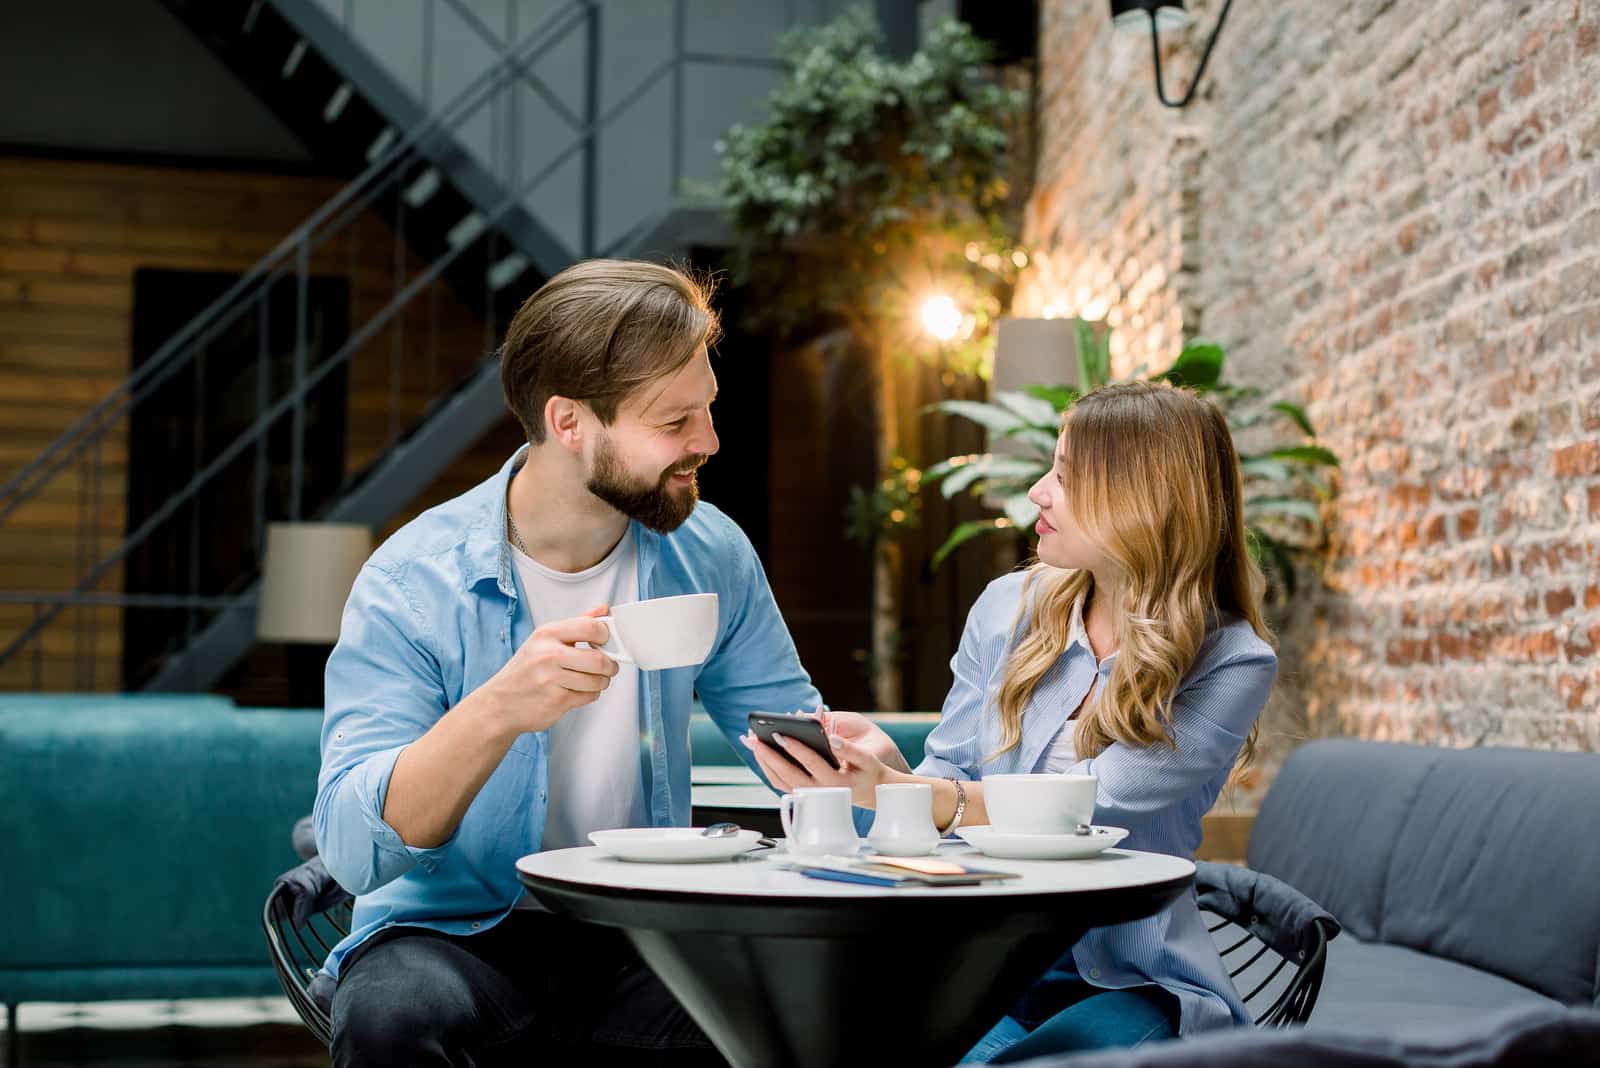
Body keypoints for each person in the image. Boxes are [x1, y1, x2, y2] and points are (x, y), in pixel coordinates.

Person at [314, 259, 822, 1066]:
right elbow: (352, 849)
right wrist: (498, 707)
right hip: (448, 935)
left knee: (785, 1024)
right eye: (674, 422)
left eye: (709, 412)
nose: (710, 442)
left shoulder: (711, 553)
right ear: (569, 421)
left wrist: (886, 789)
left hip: (640, 931)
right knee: (394, 1019)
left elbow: (798, 743)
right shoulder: (412, 581)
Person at [743, 379, 1278, 1062]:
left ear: (1142, 500)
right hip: (980, 965)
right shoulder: (1007, 606)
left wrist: (892, 789)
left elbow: (1083, 806)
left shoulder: (1232, 661)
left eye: (1066, 475)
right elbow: (951, 780)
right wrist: (893, 773)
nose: (1038, 493)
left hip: (1124, 981)